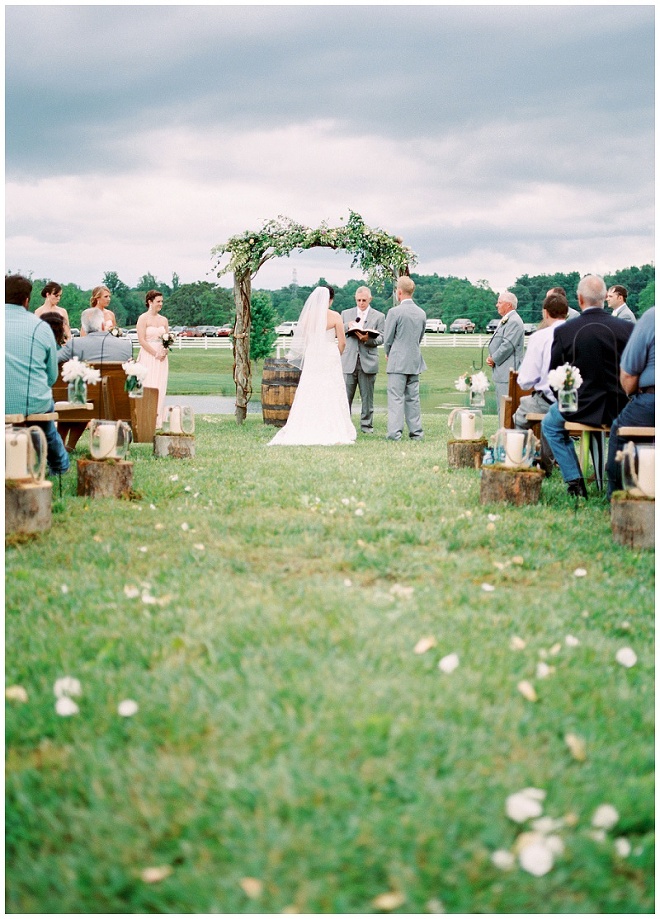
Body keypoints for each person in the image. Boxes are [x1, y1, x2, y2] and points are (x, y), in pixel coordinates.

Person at [541, 274, 633, 497]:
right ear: (603, 298)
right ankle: (621, 483)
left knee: (550, 425)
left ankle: (574, 481)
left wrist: (564, 400)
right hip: (619, 408)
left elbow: (554, 374)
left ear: (580, 299)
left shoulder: (565, 331)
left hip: (578, 407)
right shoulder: (627, 329)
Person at [269, 286, 356, 446]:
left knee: (310, 388)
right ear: (330, 300)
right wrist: (336, 354)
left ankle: (306, 424)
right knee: (331, 389)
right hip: (330, 355)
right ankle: (333, 427)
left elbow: (305, 339)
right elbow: (342, 342)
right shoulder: (335, 316)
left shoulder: (307, 317)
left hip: (313, 355)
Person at [5, 274, 69, 475]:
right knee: (46, 426)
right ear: (26, 300)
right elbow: (51, 376)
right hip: (32, 402)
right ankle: (59, 466)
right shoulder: (40, 326)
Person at [514, 292, 569, 474]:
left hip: (548, 400)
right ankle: (548, 462)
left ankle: (522, 461)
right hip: (576, 402)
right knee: (546, 415)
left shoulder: (540, 337)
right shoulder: (577, 332)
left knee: (520, 417)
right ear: (566, 313)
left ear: (545, 313)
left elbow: (525, 380)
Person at [606, 307, 654, 498]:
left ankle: (618, 496)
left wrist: (633, 393)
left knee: (620, 431)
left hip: (651, 401)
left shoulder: (652, 317)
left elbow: (628, 374)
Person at [383, 275, 426, 441]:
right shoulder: (421, 313)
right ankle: (416, 433)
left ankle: (394, 433)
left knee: (396, 398)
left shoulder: (394, 312)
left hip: (398, 360)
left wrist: (388, 352)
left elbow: (388, 338)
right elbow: (419, 337)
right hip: (414, 360)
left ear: (399, 292)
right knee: (413, 398)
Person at [341, 286, 385, 433]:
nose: (361, 303)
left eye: (364, 300)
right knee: (345, 397)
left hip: (368, 360)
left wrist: (368, 339)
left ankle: (366, 426)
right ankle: (345, 426)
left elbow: (382, 337)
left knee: (367, 398)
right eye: (358, 300)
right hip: (349, 361)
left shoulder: (379, 316)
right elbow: (337, 332)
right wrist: (347, 326)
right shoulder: (346, 314)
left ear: (370, 299)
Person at [486, 290, 525, 423]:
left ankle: (507, 433)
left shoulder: (514, 321)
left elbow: (507, 345)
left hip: (508, 371)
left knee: (506, 408)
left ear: (508, 305)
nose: (497, 305)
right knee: (502, 407)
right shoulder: (508, 320)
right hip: (502, 371)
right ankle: (502, 432)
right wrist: (491, 357)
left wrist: (494, 358)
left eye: (500, 302)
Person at [136, 289, 170, 428]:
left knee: (160, 386)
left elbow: (167, 338)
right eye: (158, 301)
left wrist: (165, 350)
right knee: (148, 385)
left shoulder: (163, 320)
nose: (160, 304)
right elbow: (141, 340)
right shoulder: (143, 318)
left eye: (162, 301)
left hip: (162, 358)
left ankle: (158, 419)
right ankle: (145, 417)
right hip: (148, 356)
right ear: (150, 302)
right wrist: (155, 353)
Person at [57, 308, 133, 363]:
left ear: (84, 328)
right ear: (103, 325)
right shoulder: (126, 346)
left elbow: (53, 360)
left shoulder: (73, 345)